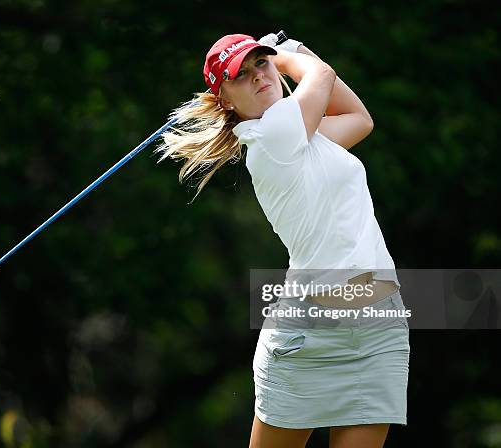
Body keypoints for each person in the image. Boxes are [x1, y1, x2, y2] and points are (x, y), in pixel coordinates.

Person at [155, 32, 410, 448]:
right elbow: (322, 75)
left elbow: (360, 118)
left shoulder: (305, 138)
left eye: (261, 64)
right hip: (310, 334)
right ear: (226, 101)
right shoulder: (271, 138)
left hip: (377, 327)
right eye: (242, 75)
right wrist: (287, 55)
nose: (258, 76)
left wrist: (296, 49)